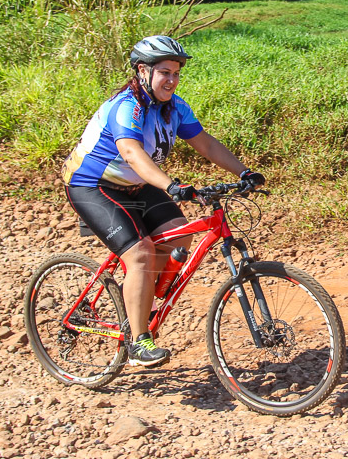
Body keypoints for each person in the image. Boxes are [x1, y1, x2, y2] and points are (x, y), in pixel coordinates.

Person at [61, 35, 265, 367]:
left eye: (176, 73)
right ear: (143, 71)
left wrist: (246, 172)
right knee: (140, 253)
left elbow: (206, 144)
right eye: (164, 72)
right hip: (93, 185)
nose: (171, 80)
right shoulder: (127, 106)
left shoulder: (175, 107)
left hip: (137, 184)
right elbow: (132, 153)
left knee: (180, 233)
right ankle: (138, 340)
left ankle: (140, 297)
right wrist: (172, 186)